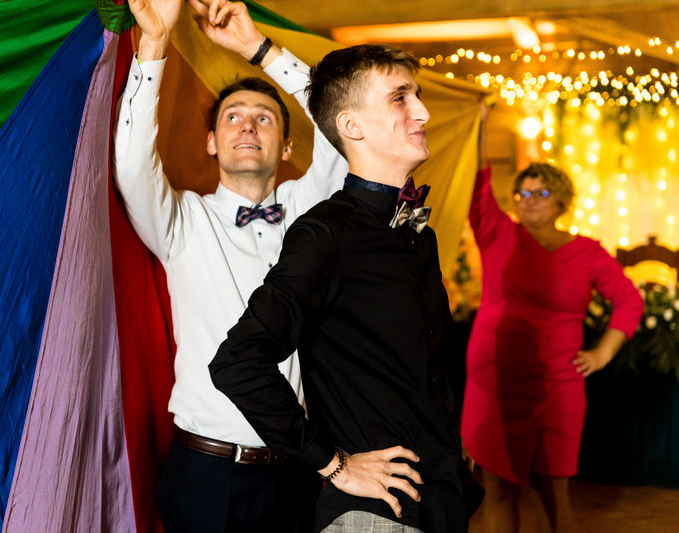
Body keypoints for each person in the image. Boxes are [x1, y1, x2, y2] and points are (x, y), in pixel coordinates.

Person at [210, 44, 479, 533]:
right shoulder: (325, 233)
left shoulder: (418, 233)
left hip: (439, 500)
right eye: (400, 98)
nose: (422, 112)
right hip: (375, 515)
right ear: (352, 126)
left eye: (416, 95)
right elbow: (238, 361)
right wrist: (333, 464)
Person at [113, 0, 347, 531]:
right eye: (233, 117)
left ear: (286, 146)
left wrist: (257, 49)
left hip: (303, 468)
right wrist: (154, 45)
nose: (248, 126)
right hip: (207, 473)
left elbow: (341, 124)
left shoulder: (312, 211)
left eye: (264, 118)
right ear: (212, 143)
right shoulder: (183, 221)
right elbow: (132, 164)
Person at [460, 119, 644, 532]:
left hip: (558, 385)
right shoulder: (497, 232)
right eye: (522, 194)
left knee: (556, 496)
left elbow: (629, 301)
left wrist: (603, 352)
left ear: (562, 201)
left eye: (540, 193)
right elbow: (478, 180)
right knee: (499, 492)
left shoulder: (587, 252)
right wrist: (480, 121)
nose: (528, 202)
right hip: (496, 382)